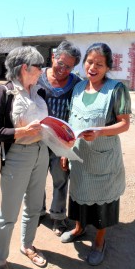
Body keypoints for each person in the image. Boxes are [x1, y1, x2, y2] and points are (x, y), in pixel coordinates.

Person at [61, 43, 131, 266]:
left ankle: (100, 241)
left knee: (102, 202)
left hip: (103, 157)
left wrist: (100, 131)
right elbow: (71, 122)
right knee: (79, 196)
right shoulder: (79, 88)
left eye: (99, 64)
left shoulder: (116, 89)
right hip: (80, 156)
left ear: (108, 66)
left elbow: (124, 124)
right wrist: (65, 151)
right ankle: (79, 228)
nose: (93, 67)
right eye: (89, 62)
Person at [0, 46, 49, 269]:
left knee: (34, 206)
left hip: (41, 153)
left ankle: (28, 245)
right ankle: (1, 262)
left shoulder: (40, 92)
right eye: (38, 67)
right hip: (17, 156)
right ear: (25, 68)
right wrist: (23, 130)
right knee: (8, 214)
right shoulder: (5, 92)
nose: (41, 71)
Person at [37, 40, 81, 236]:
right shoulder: (37, 76)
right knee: (35, 179)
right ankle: (37, 212)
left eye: (68, 66)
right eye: (60, 63)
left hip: (61, 142)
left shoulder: (77, 84)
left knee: (60, 179)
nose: (63, 69)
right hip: (36, 139)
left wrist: (69, 146)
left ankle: (58, 217)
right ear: (53, 57)